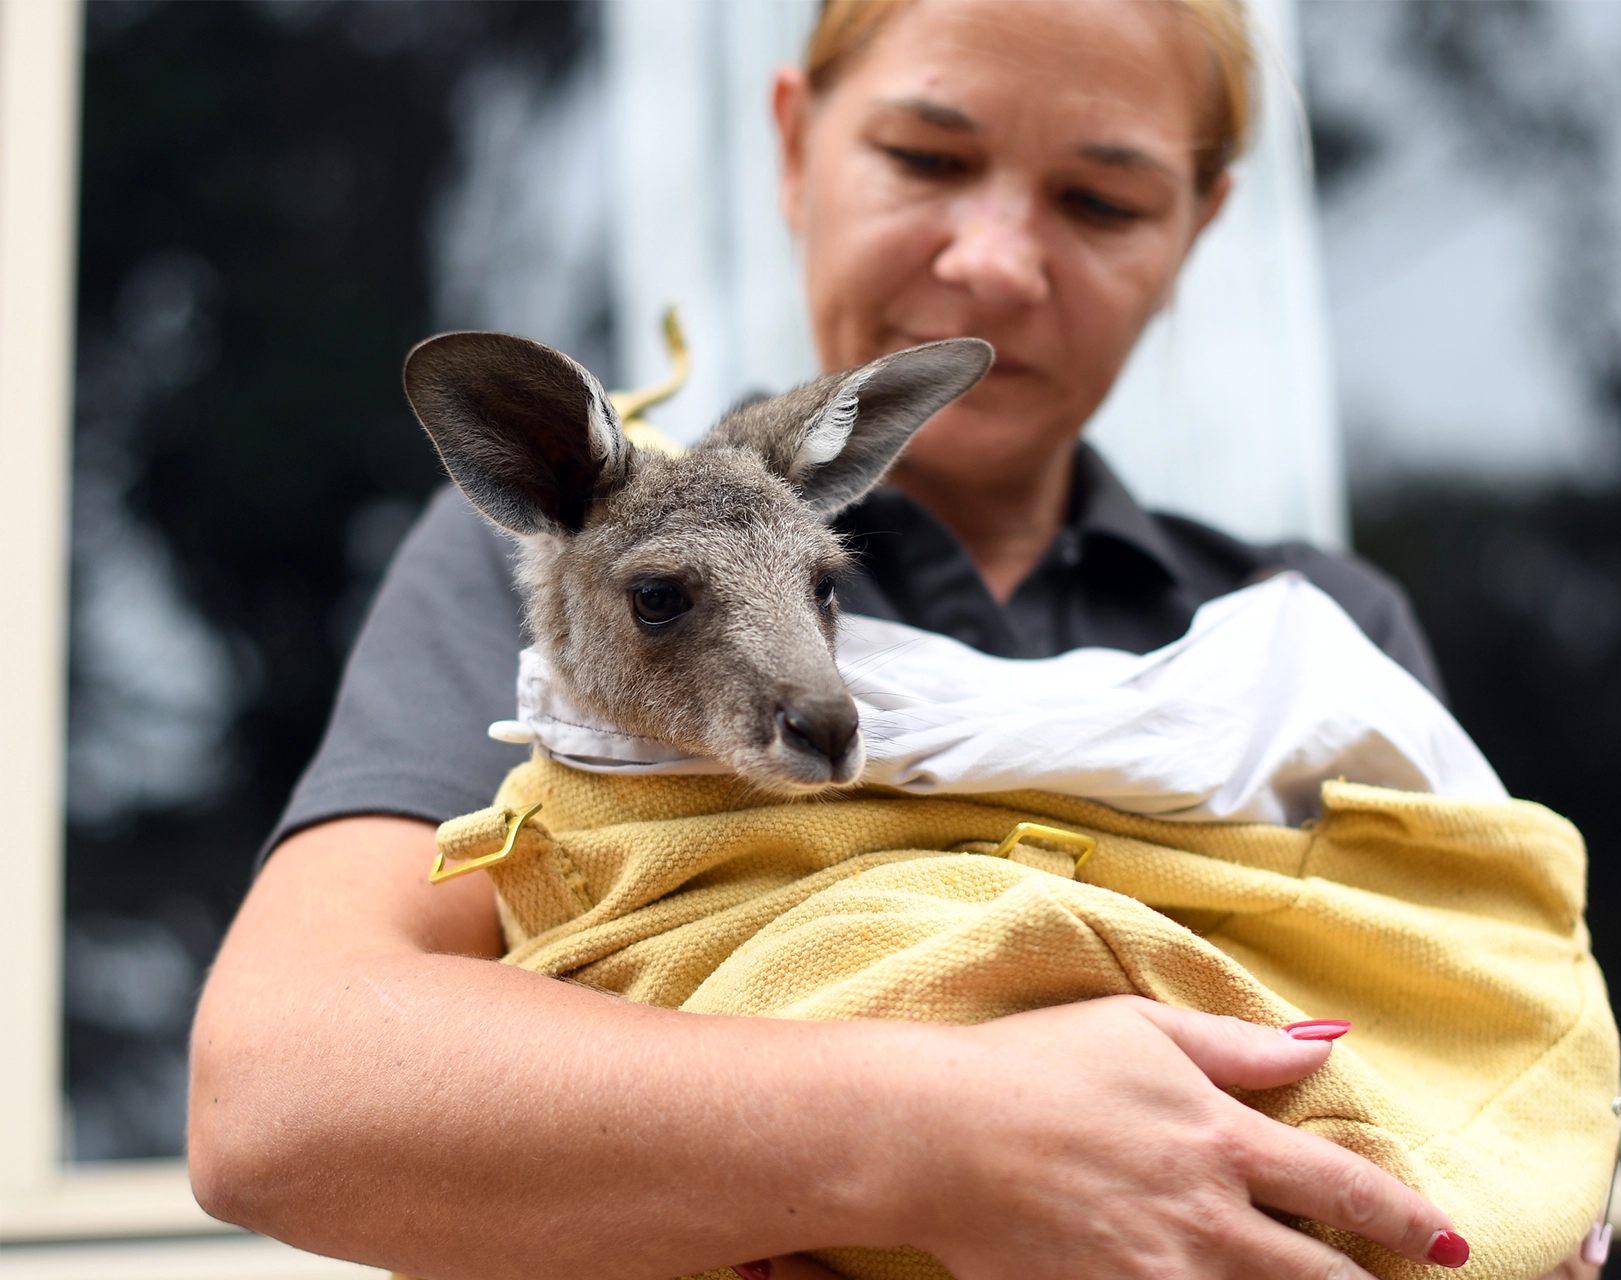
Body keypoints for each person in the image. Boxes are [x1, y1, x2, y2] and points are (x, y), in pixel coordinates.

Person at [188, 2, 1503, 1278]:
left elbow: (1486, 1052)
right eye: (927, 158)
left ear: (1198, 226)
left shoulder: (1297, 640)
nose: (993, 262)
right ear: (794, 146)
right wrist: (941, 1132)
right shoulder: (558, 575)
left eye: (1102, 201)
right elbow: (281, 1091)